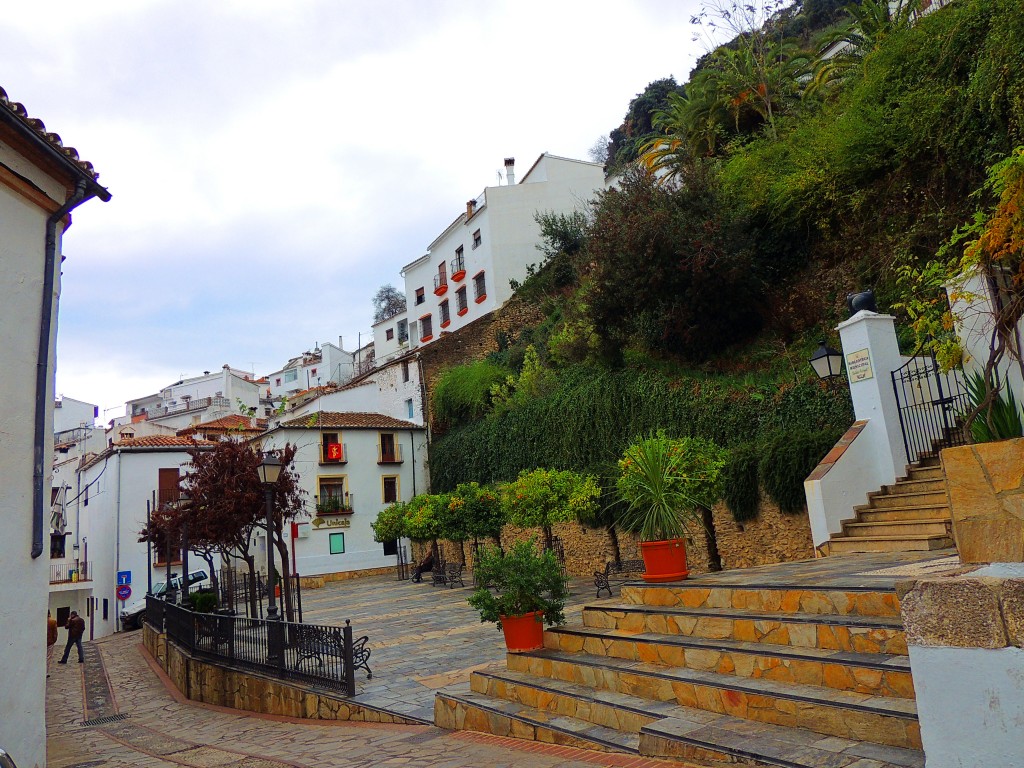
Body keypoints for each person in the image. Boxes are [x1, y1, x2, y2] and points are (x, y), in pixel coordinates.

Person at [46, 610, 58, 676]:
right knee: (48, 657)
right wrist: (54, 640)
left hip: (43, 642)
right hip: (50, 642)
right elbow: (55, 633)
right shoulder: (52, 621)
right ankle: (46, 672)